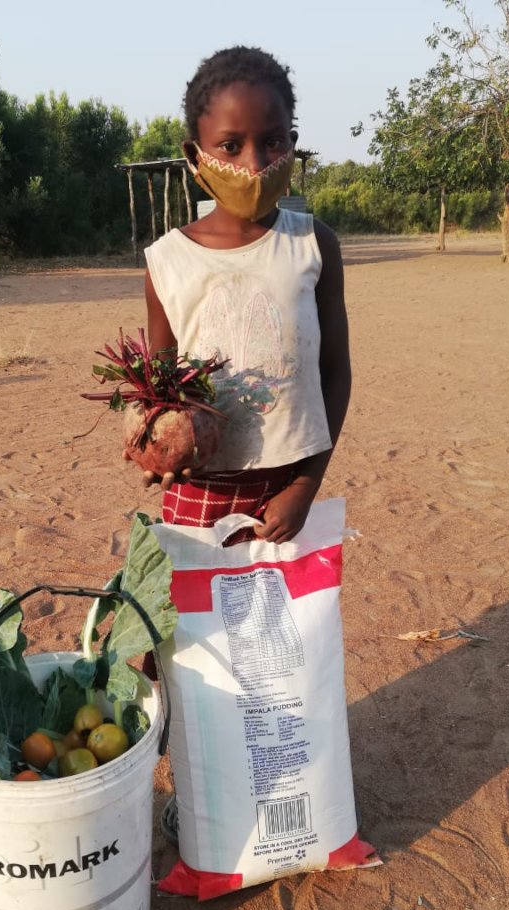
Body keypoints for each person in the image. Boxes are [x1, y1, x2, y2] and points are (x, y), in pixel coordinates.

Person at [141, 44, 351, 546]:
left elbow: (335, 371)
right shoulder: (167, 261)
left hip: (285, 484)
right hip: (198, 486)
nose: (255, 164)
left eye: (273, 142)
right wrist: (154, 450)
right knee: (196, 623)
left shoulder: (313, 245)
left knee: (283, 624)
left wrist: (306, 484)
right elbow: (161, 392)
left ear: (293, 144)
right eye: (230, 146)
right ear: (195, 155)